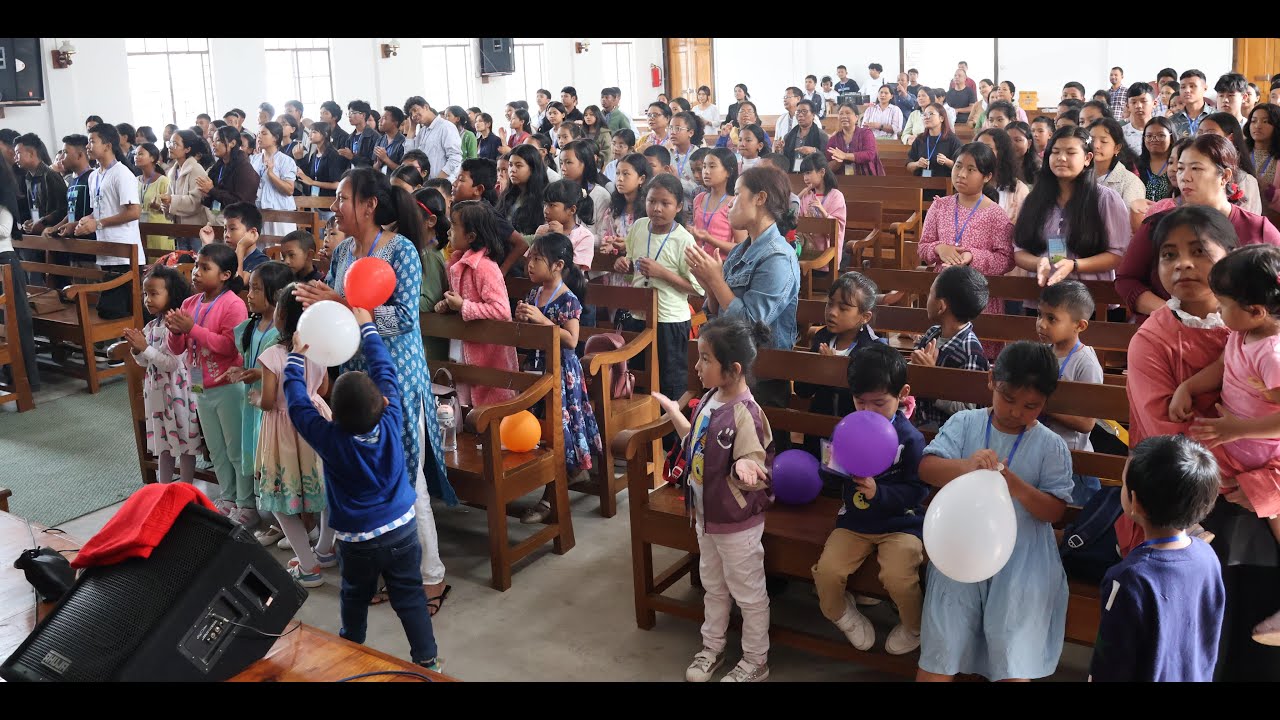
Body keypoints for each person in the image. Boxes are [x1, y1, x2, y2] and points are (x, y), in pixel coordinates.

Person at [1119, 206, 1280, 678]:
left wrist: (1265, 485)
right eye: (1169, 254)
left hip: (1265, 490)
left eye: (1198, 250)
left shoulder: (1263, 332)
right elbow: (1168, 436)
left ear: (1230, 256)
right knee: (1210, 643)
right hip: (1196, 498)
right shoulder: (1153, 340)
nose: (1183, 264)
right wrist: (1243, 480)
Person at [294, 168, 457, 615]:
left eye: (342, 198)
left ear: (369, 205)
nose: (334, 207)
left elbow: (402, 317)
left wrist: (342, 304)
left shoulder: (401, 250)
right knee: (372, 478)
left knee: (406, 478)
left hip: (396, 379)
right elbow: (337, 320)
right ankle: (395, 573)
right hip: (355, 381)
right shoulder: (343, 251)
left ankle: (432, 576)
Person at [283, 303, 442, 670]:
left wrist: (295, 358)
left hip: (357, 542)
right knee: (410, 598)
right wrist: (368, 328)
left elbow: (298, 407)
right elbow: (385, 370)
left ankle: (350, 649)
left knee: (354, 597)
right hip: (402, 530)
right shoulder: (392, 417)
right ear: (384, 402)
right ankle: (428, 661)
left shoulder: (330, 438)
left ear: (333, 416)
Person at [916, 341, 1073, 682]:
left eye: (1031, 405)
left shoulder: (1050, 445)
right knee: (944, 638)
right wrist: (965, 466)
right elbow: (927, 468)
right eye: (1008, 398)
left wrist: (1016, 487)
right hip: (959, 550)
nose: (1016, 412)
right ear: (991, 381)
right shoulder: (965, 423)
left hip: (1023, 558)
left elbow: (1055, 511)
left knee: (1011, 644)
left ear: (1046, 401)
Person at [652, 316, 776, 683]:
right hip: (706, 519)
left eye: (705, 358)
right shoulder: (709, 399)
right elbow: (695, 443)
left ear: (734, 369)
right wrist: (675, 413)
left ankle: (756, 660)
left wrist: (747, 468)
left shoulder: (746, 414)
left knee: (749, 593)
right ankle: (712, 647)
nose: (697, 366)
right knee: (714, 586)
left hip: (736, 525)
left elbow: (755, 463)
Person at [1170, 244, 1280, 644]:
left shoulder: (1272, 353)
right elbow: (1221, 367)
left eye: (1225, 303)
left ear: (1256, 311)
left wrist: (1237, 430)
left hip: (1265, 456)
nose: (1218, 308)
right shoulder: (1242, 334)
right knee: (1186, 456)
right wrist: (1187, 386)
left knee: (1276, 518)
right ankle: (1190, 527)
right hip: (1233, 448)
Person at [812, 342, 927, 656]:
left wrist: (881, 493)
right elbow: (827, 477)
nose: (867, 412)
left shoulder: (910, 439)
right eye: (859, 402)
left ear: (902, 394)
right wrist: (834, 466)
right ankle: (841, 613)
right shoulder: (847, 429)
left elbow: (918, 490)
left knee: (899, 577)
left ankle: (914, 626)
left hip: (901, 523)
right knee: (828, 572)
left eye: (879, 403)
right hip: (855, 521)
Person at [1088, 435, 1224, 681]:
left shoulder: (1128, 577)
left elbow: (1110, 663)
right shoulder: (1208, 557)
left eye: (1123, 484)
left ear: (1136, 504)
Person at [1116, 134, 1280, 320]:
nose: (1184, 177)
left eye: (1196, 168)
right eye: (1180, 168)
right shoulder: (1158, 224)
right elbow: (1126, 279)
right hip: (1169, 331)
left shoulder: (1258, 229)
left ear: (1225, 176)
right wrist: (1174, 314)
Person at [512, 233, 602, 523]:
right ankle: (555, 478)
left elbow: (572, 340)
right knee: (538, 430)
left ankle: (551, 497)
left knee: (558, 433)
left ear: (558, 265)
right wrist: (523, 320)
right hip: (537, 369)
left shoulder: (568, 299)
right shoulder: (534, 294)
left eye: (538, 259)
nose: (530, 264)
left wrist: (541, 320)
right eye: (530, 258)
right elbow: (529, 335)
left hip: (562, 374)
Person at [166, 243, 249, 511]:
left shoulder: (233, 304)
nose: (196, 273)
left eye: (205, 268)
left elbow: (229, 347)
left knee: (236, 449)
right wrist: (175, 332)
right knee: (215, 450)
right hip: (200, 387)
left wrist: (192, 329)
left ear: (225, 275)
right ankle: (227, 498)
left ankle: (246, 504)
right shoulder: (190, 303)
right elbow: (177, 348)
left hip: (228, 386)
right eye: (196, 266)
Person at [1013, 127, 1130, 315]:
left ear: (1087, 158)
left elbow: (1117, 255)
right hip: (1043, 297)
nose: (1061, 158)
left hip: (1090, 302)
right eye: (1055, 152)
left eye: (1070, 152)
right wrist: (1039, 263)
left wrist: (1074, 265)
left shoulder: (1105, 199)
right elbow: (1019, 251)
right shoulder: (1034, 199)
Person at [613, 174, 703, 402]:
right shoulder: (639, 227)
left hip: (669, 320)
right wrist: (623, 263)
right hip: (637, 315)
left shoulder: (684, 240)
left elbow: (697, 289)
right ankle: (642, 421)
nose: (657, 208)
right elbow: (631, 261)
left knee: (670, 381)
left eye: (665, 203)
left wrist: (662, 273)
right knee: (637, 377)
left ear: (679, 206)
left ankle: (670, 424)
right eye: (652, 201)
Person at [223, 261, 293, 534]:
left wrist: (257, 373)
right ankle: (274, 516)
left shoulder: (282, 333)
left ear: (276, 293)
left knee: (275, 460)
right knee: (258, 457)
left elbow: (284, 368)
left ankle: (289, 521)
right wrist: (243, 371)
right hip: (252, 404)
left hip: (272, 405)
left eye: (256, 289)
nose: (249, 295)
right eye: (249, 288)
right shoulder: (253, 325)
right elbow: (252, 360)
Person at [121, 265, 201, 483]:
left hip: (179, 392)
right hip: (156, 393)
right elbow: (145, 362)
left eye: (154, 294)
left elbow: (172, 364)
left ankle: (185, 488)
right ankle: (163, 488)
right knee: (163, 444)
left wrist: (145, 347)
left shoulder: (175, 325)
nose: (148, 300)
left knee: (185, 443)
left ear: (172, 294)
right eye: (145, 294)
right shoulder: (151, 326)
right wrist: (137, 349)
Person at [794, 272, 886, 462]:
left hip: (855, 437)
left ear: (865, 317)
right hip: (818, 433)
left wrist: (832, 371)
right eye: (830, 304)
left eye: (843, 308)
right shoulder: (821, 338)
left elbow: (865, 399)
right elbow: (802, 390)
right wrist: (818, 368)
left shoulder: (873, 349)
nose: (832, 312)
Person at [435, 200, 519, 407]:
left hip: (487, 354)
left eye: (454, 226)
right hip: (465, 346)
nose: (449, 231)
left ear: (471, 236)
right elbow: (462, 301)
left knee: (488, 404)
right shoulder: (457, 264)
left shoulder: (484, 268)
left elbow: (501, 310)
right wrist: (449, 305)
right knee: (463, 399)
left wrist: (463, 306)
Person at [919, 142, 1015, 313]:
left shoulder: (996, 215)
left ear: (987, 177)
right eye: (958, 166)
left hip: (978, 297)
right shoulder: (940, 206)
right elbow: (923, 247)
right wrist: (939, 248)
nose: (961, 174)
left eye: (971, 170)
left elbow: (1006, 260)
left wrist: (972, 257)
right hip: (944, 292)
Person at [1036, 281, 1105, 504]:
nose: (1041, 324)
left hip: (1073, 461)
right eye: (1039, 315)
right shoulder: (1043, 352)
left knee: (1073, 516)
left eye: (1051, 319)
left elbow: (1087, 424)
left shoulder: (1086, 363)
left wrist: (1042, 406)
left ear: (1080, 326)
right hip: (1044, 453)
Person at [76, 123, 143, 319]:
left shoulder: (122, 173)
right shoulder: (94, 176)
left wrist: (97, 224)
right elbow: (98, 210)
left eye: (92, 141)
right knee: (114, 311)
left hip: (125, 252)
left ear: (107, 145)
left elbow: (134, 212)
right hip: (106, 249)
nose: (87, 146)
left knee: (119, 311)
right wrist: (84, 221)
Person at [910, 266, 990, 429]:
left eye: (930, 293)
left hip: (950, 435)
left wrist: (932, 378)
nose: (927, 297)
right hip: (923, 422)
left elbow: (967, 409)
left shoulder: (971, 353)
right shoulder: (932, 333)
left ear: (941, 306)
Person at [0, 160, 41, 391]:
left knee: (17, 319)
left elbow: (5, 230)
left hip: (5, 261)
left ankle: (27, 379)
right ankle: (8, 375)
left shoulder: (4, 196)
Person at [1200, 112, 1264, 214]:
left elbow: (1247, 219)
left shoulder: (1245, 180)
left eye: (1210, 133)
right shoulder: (1193, 172)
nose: (1202, 138)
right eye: (1200, 133)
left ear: (1230, 138)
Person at [690, 147, 745, 254]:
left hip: (722, 263)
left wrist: (710, 239)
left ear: (728, 172)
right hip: (697, 260)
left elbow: (742, 248)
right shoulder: (699, 199)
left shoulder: (735, 203)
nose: (706, 171)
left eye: (712, 166)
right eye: (704, 166)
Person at [796, 153, 847, 268]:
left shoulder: (836, 196)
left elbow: (839, 226)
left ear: (822, 172)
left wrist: (823, 213)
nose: (805, 178)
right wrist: (798, 198)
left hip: (827, 255)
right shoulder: (806, 196)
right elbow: (795, 221)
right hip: (806, 252)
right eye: (804, 174)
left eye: (808, 172)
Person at [200, 126, 258, 218]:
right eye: (213, 141)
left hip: (238, 220)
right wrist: (206, 194)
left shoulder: (244, 168)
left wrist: (212, 190)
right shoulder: (219, 165)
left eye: (218, 140)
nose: (213, 144)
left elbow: (241, 203)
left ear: (232, 143)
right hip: (217, 216)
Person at [251, 123, 298, 237]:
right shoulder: (254, 159)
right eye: (258, 133)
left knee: (280, 244)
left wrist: (271, 174)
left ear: (275, 138)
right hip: (258, 211)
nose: (259, 136)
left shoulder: (285, 160)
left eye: (264, 133)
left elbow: (289, 190)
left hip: (280, 212)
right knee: (260, 244)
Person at [1089, 117, 1146, 210]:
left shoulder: (1130, 182)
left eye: (1103, 141)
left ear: (1117, 148)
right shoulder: (1079, 175)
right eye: (1092, 140)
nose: (1095, 145)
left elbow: (1131, 217)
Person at [975, 128, 1030, 223]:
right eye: (977, 148)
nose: (980, 154)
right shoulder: (971, 183)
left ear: (1001, 153)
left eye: (987, 149)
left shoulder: (1019, 189)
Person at [403, 97, 463, 183]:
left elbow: (455, 158)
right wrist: (412, 128)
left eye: (415, 110)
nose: (413, 115)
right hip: (426, 184)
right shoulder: (422, 131)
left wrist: (437, 182)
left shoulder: (446, 127)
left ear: (426, 107)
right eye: (411, 114)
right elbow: (409, 157)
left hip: (442, 184)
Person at [907, 104, 963, 187]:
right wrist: (917, 164)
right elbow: (909, 165)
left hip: (945, 186)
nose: (926, 117)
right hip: (921, 185)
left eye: (931, 114)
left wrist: (947, 161)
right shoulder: (920, 139)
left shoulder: (953, 140)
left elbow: (962, 167)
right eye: (924, 115)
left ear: (941, 118)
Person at [297, 122, 352, 200]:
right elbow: (308, 176)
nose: (310, 135)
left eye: (314, 132)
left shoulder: (333, 155)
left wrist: (313, 182)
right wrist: (299, 159)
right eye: (310, 131)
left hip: (329, 200)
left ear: (325, 134)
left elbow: (337, 184)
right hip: (314, 197)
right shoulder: (314, 154)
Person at [826, 102, 882, 177]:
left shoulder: (866, 133)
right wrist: (838, 162)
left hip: (865, 177)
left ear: (856, 117)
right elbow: (828, 165)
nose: (844, 116)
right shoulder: (834, 139)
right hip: (841, 178)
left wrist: (845, 156)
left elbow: (870, 154)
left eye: (848, 113)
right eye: (841, 114)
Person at [1247, 103, 1278, 217]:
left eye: (1265, 121)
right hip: (1244, 215)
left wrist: (1272, 193)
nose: (1258, 126)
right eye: (1253, 121)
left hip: (1273, 219)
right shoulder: (1239, 152)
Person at [1137, 116, 1178, 205]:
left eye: (1161, 135)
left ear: (1171, 138)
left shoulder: (1179, 165)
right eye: (1149, 136)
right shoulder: (1136, 165)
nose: (1154, 139)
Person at [781, 100, 828, 173]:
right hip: (791, 175)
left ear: (813, 115)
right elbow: (784, 159)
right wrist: (779, 150)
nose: (800, 115)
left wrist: (814, 151)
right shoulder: (788, 136)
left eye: (804, 111)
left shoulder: (821, 135)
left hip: (812, 175)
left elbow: (826, 158)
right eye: (798, 112)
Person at [1170, 70, 1212, 138]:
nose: (1187, 90)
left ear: (1205, 88)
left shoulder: (1216, 117)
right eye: (1183, 87)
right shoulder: (1172, 121)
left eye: (1192, 86)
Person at [1123, 82, 1159, 155]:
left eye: (1143, 101)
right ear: (1127, 106)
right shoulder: (1121, 134)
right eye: (1133, 102)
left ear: (1154, 103)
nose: (1138, 106)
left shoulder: (1162, 131)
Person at [373, 106, 407, 173]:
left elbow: (404, 171)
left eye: (384, 118)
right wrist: (378, 163)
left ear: (395, 122)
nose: (379, 120)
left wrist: (385, 159)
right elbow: (374, 167)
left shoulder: (403, 142)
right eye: (380, 118)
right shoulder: (380, 140)